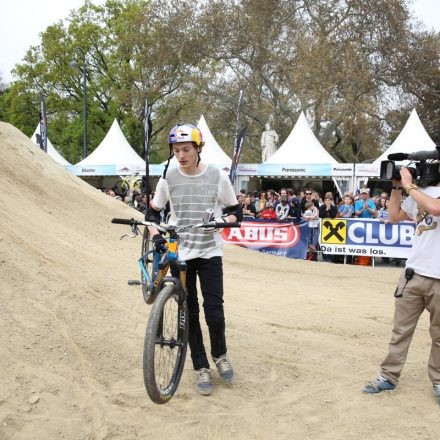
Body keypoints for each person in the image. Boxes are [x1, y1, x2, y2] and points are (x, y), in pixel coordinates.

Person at [145, 123, 243, 396]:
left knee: (214, 312)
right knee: (188, 314)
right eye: (176, 150)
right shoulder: (168, 179)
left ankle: (220, 354)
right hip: (181, 254)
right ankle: (200, 366)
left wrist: (223, 221)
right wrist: (156, 237)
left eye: (186, 149)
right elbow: (152, 214)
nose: (181, 155)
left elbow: (236, 212)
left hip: (210, 252)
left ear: (198, 148)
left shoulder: (217, 176)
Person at [362, 167, 440, 406]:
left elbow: (436, 208)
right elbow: (394, 216)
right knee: (400, 332)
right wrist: (396, 186)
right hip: (413, 274)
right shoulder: (420, 192)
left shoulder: (419, 192)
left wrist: (408, 186)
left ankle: (438, 380)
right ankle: (388, 376)